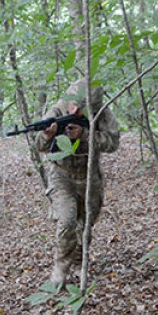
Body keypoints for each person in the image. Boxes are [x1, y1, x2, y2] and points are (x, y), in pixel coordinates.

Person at [31, 80, 120, 291]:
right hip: (61, 175)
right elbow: (39, 146)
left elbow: (112, 144)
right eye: (74, 105)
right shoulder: (57, 110)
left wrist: (85, 135)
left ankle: (80, 262)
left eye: (82, 108)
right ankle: (60, 268)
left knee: (86, 223)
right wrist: (47, 135)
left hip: (90, 176)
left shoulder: (103, 115)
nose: (75, 110)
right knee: (68, 219)